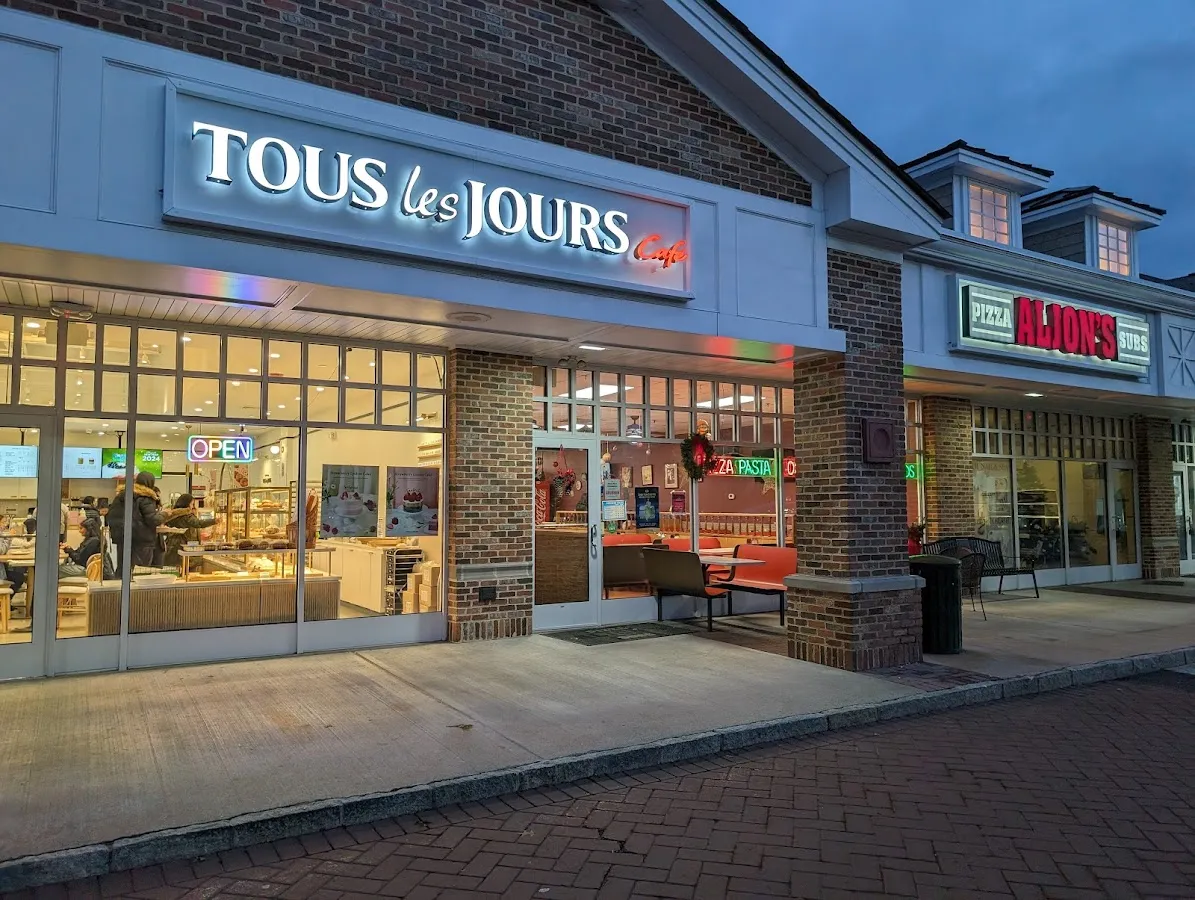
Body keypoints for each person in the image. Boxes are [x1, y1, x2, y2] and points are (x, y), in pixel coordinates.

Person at [108, 472, 164, 576]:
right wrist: (164, 515)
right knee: (140, 572)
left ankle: (121, 586)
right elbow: (153, 520)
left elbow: (111, 516)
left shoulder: (121, 496)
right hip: (141, 541)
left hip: (123, 539)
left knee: (123, 570)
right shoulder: (146, 497)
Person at [160, 494, 216, 567]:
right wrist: (214, 521)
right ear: (187, 504)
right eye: (192, 504)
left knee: (174, 569)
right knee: (184, 568)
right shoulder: (187, 516)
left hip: (171, 547)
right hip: (184, 546)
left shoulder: (171, 514)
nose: (192, 506)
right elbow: (199, 523)